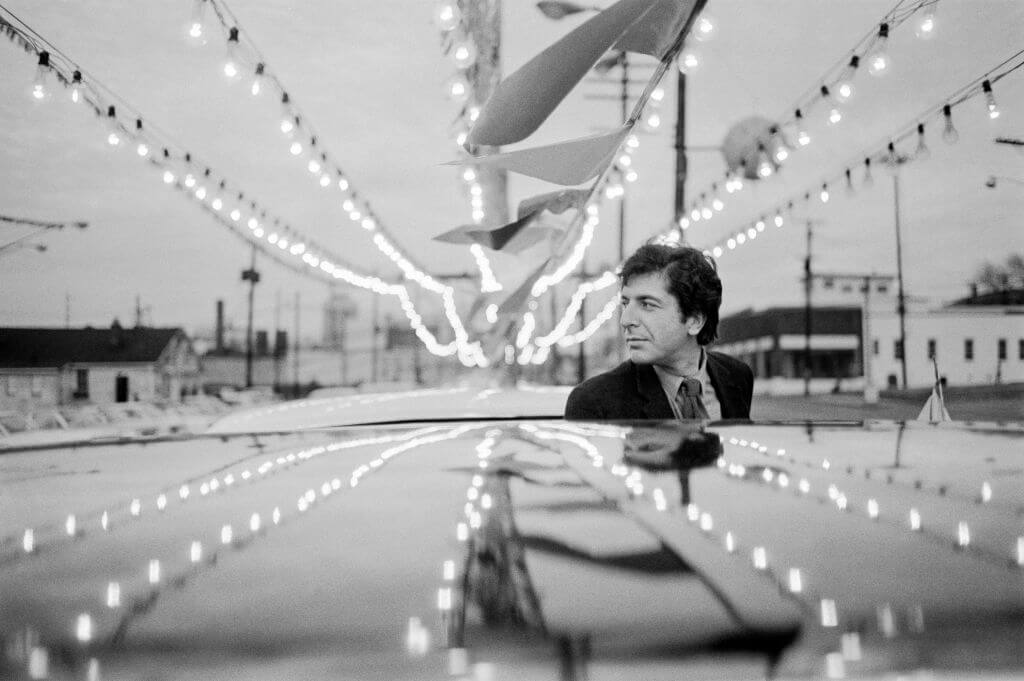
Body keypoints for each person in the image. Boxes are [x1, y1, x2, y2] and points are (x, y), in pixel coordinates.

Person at [564, 243, 753, 421]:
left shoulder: (737, 376)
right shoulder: (594, 402)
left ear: (695, 321)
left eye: (647, 304)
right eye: (625, 303)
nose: (626, 320)